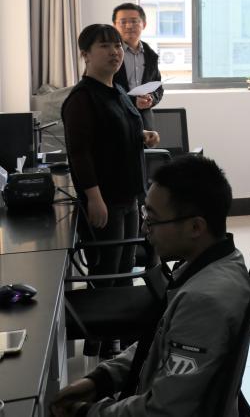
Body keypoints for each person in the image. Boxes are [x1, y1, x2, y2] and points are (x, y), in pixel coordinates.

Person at [50, 155, 250, 417]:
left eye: (153, 219)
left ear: (195, 227)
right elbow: (158, 341)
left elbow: (163, 411)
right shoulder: (213, 263)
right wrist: (102, 379)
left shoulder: (203, 301)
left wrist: (86, 413)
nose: (145, 228)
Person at [61, 24, 161, 358]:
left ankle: (120, 340)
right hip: (106, 199)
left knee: (124, 267)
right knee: (107, 272)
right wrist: (94, 198)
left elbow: (118, 131)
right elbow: (80, 153)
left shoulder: (116, 90)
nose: (115, 52)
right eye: (105, 46)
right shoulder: (82, 98)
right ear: (86, 54)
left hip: (129, 195)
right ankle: (103, 344)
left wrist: (143, 136)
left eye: (117, 45)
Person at [111, 3, 164, 130]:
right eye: (123, 22)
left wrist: (151, 98)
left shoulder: (151, 55)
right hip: (115, 118)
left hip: (144, 120)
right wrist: (133, 101)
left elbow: (158, 88)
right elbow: (102, 90)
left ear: (144, 24)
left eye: (134, 21)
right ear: (114, 26)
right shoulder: (109, 53)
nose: (129, 26)